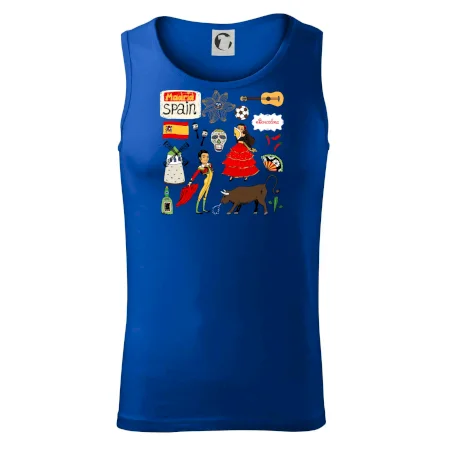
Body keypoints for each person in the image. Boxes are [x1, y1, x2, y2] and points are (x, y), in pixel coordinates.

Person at [188, 150, 214, 214]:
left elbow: (211, 171)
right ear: (200, 158)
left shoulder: (209, 164)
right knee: (201, 194)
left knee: (205, 195)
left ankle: (203, 209)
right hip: (206, 181)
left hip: (209, 182)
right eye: (204, 157)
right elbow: (195, 174)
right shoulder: (200, 167)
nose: (206, 158)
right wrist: (190, 181)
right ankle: (197, 210)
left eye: (207, 157)